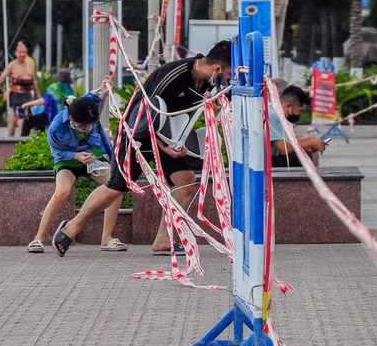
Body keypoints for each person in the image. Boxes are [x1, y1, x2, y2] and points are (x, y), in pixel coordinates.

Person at [52, 40, 232, 257]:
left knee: (185, 182)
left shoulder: (207, 80)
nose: (229, 80)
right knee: (117, 186)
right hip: (138, 130)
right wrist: (164, 148)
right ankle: (71, 228)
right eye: (230, 74)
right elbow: (146, 114)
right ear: (218, 69)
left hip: (170, 133)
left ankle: (163, 241)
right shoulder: (173, 75)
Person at [28, 92, 123, 253]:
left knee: (116, 187)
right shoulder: (57, 126)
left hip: (91, 159)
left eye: (89, 125)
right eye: (82, 126)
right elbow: (56, 151)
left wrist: (105, 93)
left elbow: (95, 98)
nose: (86, 128)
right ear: (72, 118)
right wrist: (76, 156)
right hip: (67, 160)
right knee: (61, 192)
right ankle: (38, 239)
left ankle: (106, 238)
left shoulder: (88, 109)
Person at [269, 84, 327, 168]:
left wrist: (306, 140)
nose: (300, 114)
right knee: (299, 157)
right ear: (288, 106)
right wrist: (311, 143)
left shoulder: (272, 109)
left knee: (304, 150)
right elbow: (284, 149)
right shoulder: (274, 116)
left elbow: (284, 142)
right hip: (265, 163)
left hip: (266, 158)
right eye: (300, 110)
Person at [0, 41, 37, 137]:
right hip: (15, 95)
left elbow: (34, 80)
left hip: (27, 95)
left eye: (24, 52)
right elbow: (2, 78)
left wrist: (38, 96)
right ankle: (10, 140)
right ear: (16, 53)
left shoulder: (30, 63)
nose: (22, 54)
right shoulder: (12, 65)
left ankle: (27, 138)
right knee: (14, 119)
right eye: (20, 52)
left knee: (28, 118)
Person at [21, 69, 75, 136]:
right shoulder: (71, 90)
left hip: (51, 116)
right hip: (65, 118)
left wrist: (27, 104)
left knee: (28, 121)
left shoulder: (54, 87)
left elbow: (43, 101)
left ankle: (23, 142)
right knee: (40, 121)